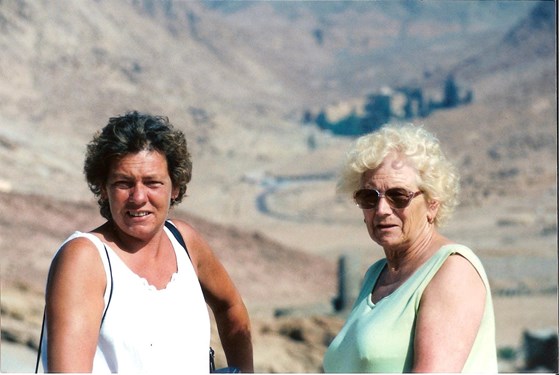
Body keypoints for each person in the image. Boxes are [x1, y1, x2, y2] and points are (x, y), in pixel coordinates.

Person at [39, 111, 253, 373]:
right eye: (123, 183)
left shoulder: (184, 242)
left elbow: (231, 308)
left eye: (152, 182)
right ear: (103, 189)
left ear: (175, 187)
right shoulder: (86, 259)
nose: (138, 197)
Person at [323, 123, 497, 373]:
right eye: (369, 198)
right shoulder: (376, 274)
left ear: (432, 203)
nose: (381, 210)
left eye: (398, 196)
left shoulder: (452, 271)